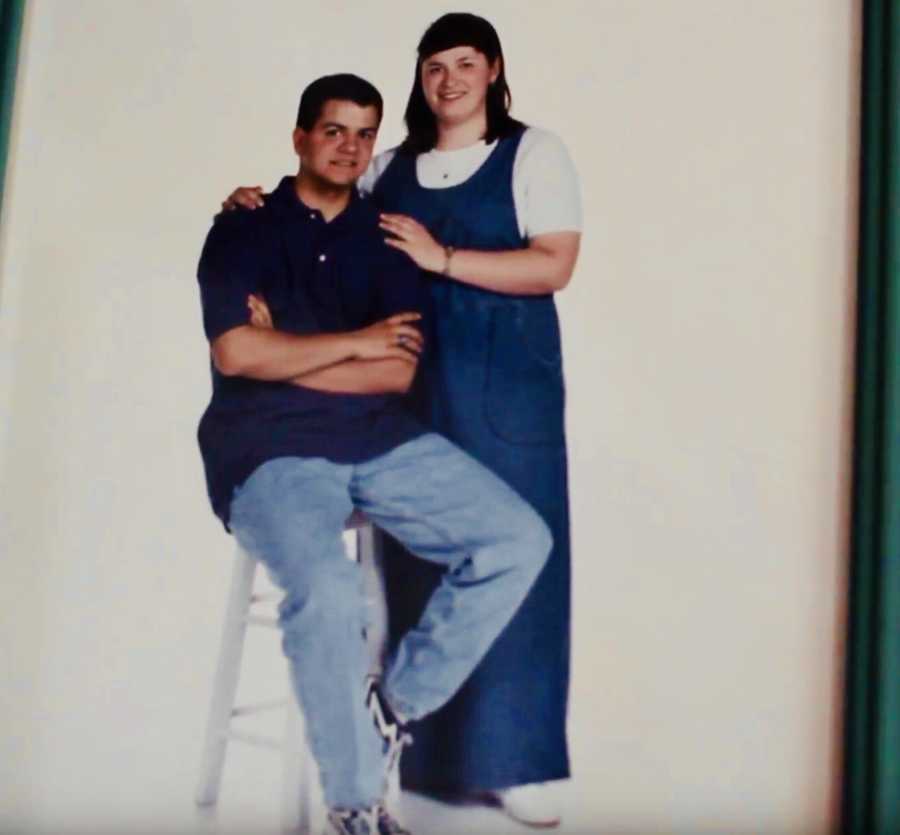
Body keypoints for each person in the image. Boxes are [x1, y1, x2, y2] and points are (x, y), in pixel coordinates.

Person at [222, 13, 581, 827]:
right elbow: (325, 215)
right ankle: (401, 754)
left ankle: (513, 761)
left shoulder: (533, 153)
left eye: (465, 63)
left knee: (519, 554)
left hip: (505, 382)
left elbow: (556, 261)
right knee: (407, 574)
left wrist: (443, 260)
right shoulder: (388, 164)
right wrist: (254, 201)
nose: (448, 80)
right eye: (432, 67)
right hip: (397, 392)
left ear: (493, 70)